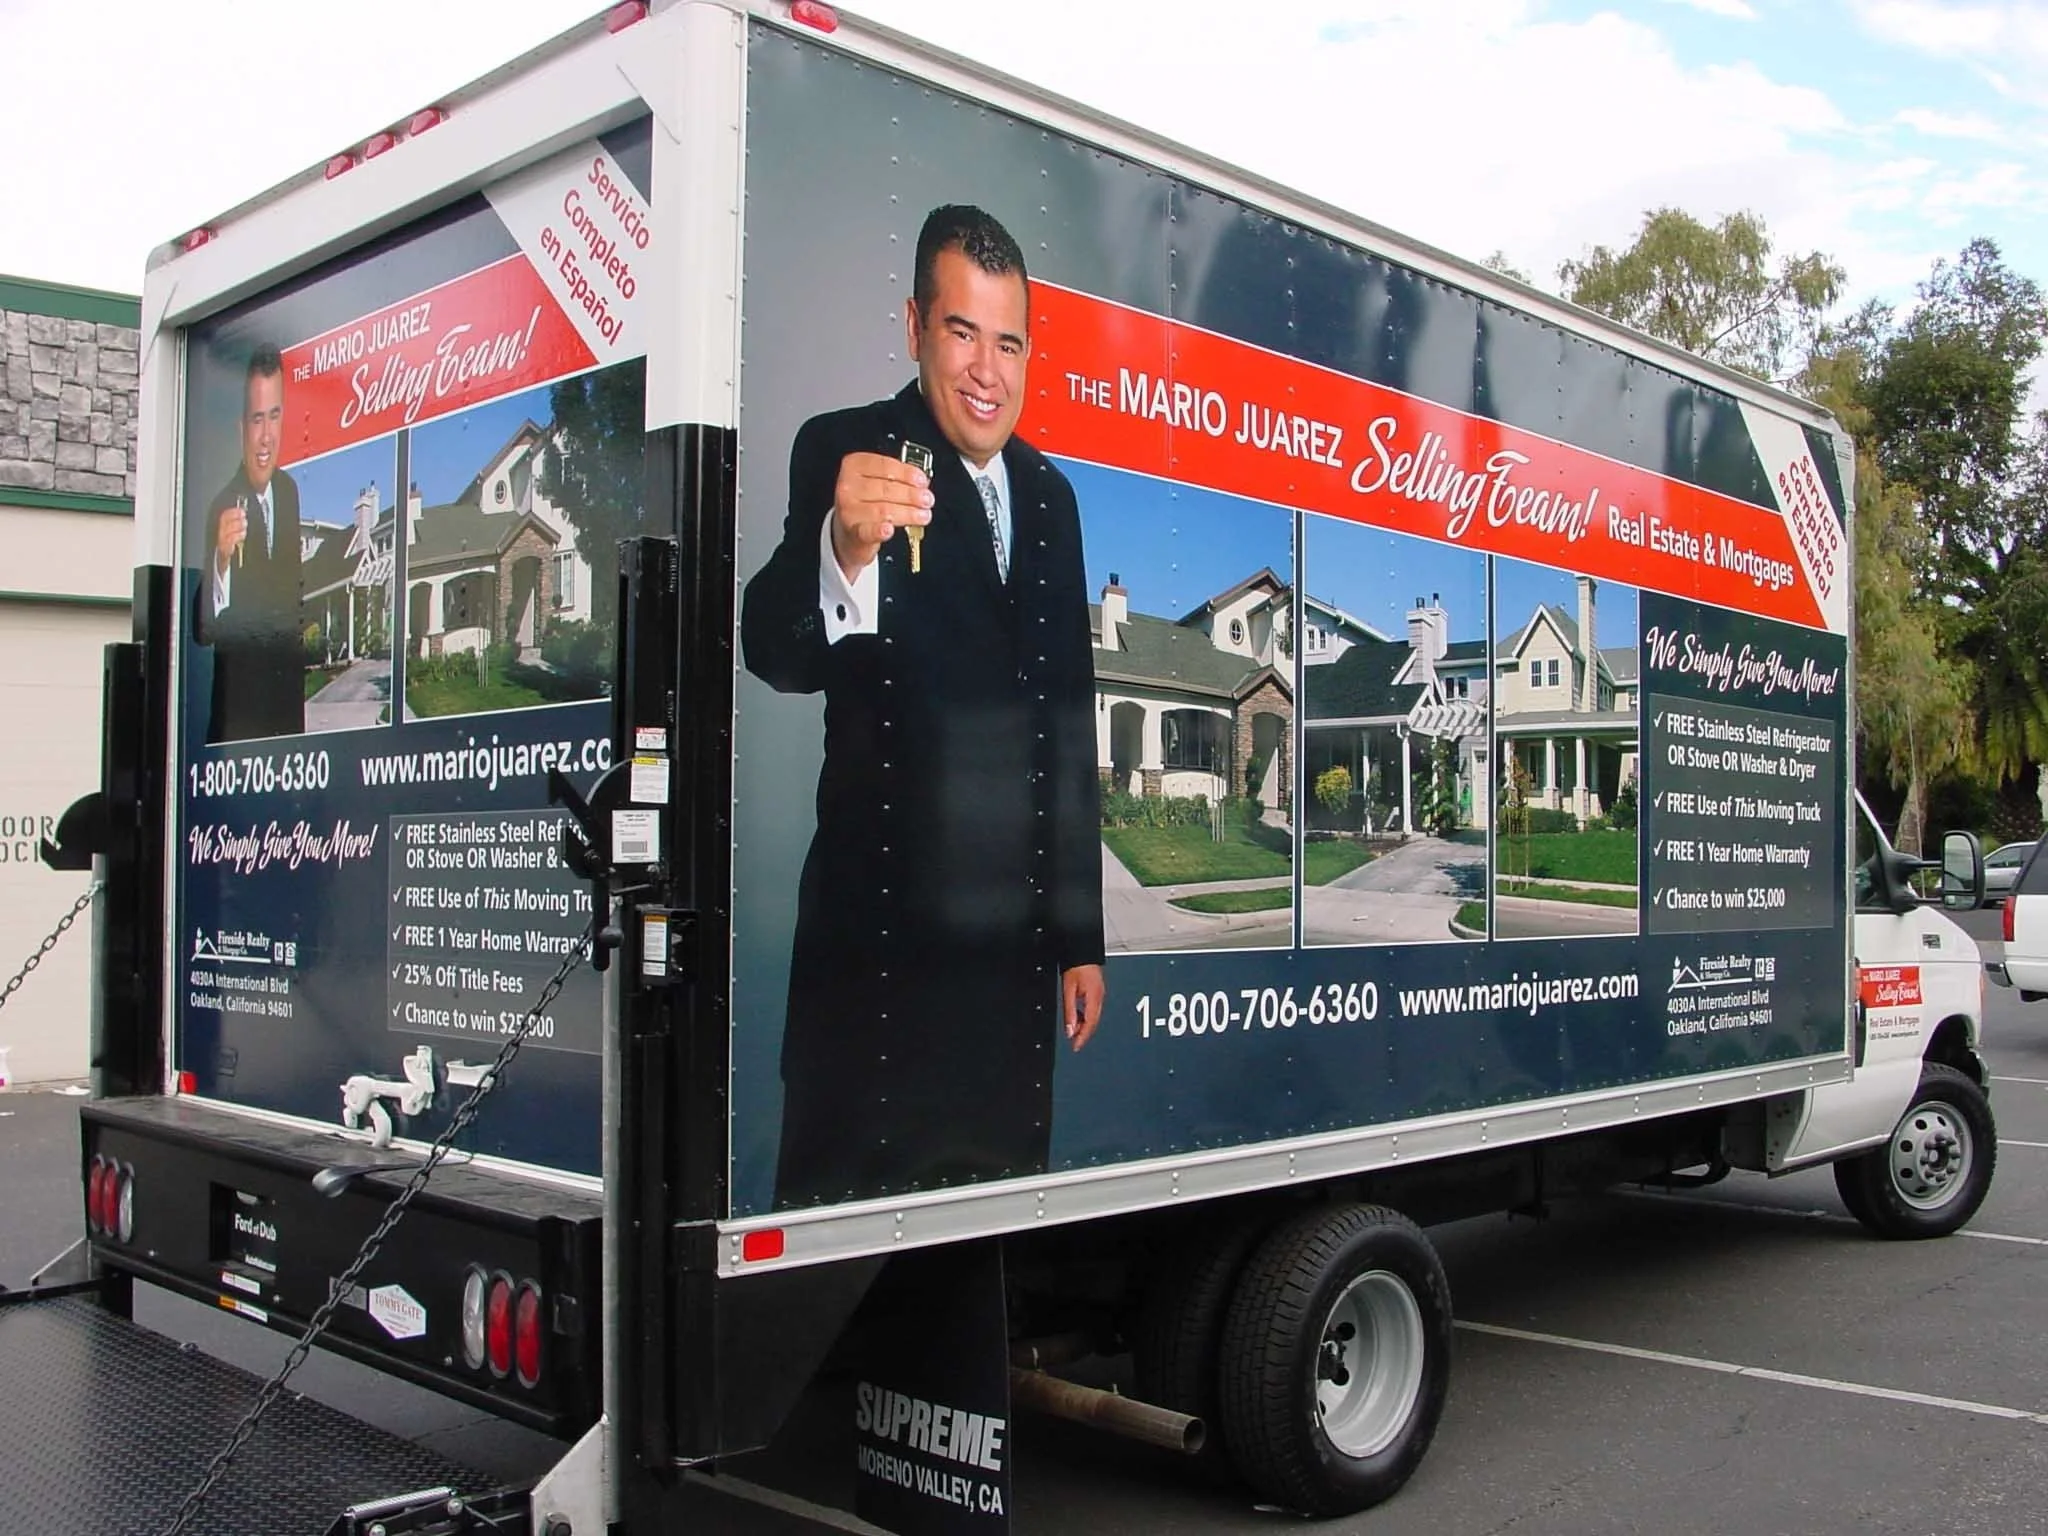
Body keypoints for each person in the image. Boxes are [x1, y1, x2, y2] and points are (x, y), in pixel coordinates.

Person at [742, 204, 1106, 1207]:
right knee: (843, 1248)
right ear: (912, 328)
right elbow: (771, 651)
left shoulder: (1050, 498)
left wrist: (1079, 937)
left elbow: (1065, 727)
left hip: (1008, 972)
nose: (986, 371)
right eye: (960, 333)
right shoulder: (847, 450)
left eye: (1008, 342)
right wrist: (841, 548)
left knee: (985, 1228)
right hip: (878, 976)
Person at [196, 344, 304, 743]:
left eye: (274, 416)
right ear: (241, 428)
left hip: (288, 723)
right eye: (257, 419)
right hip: (242, 731)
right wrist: (221, 561)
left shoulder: (290, 492)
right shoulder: (221, 506)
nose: (266, 437)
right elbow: (203, 628)